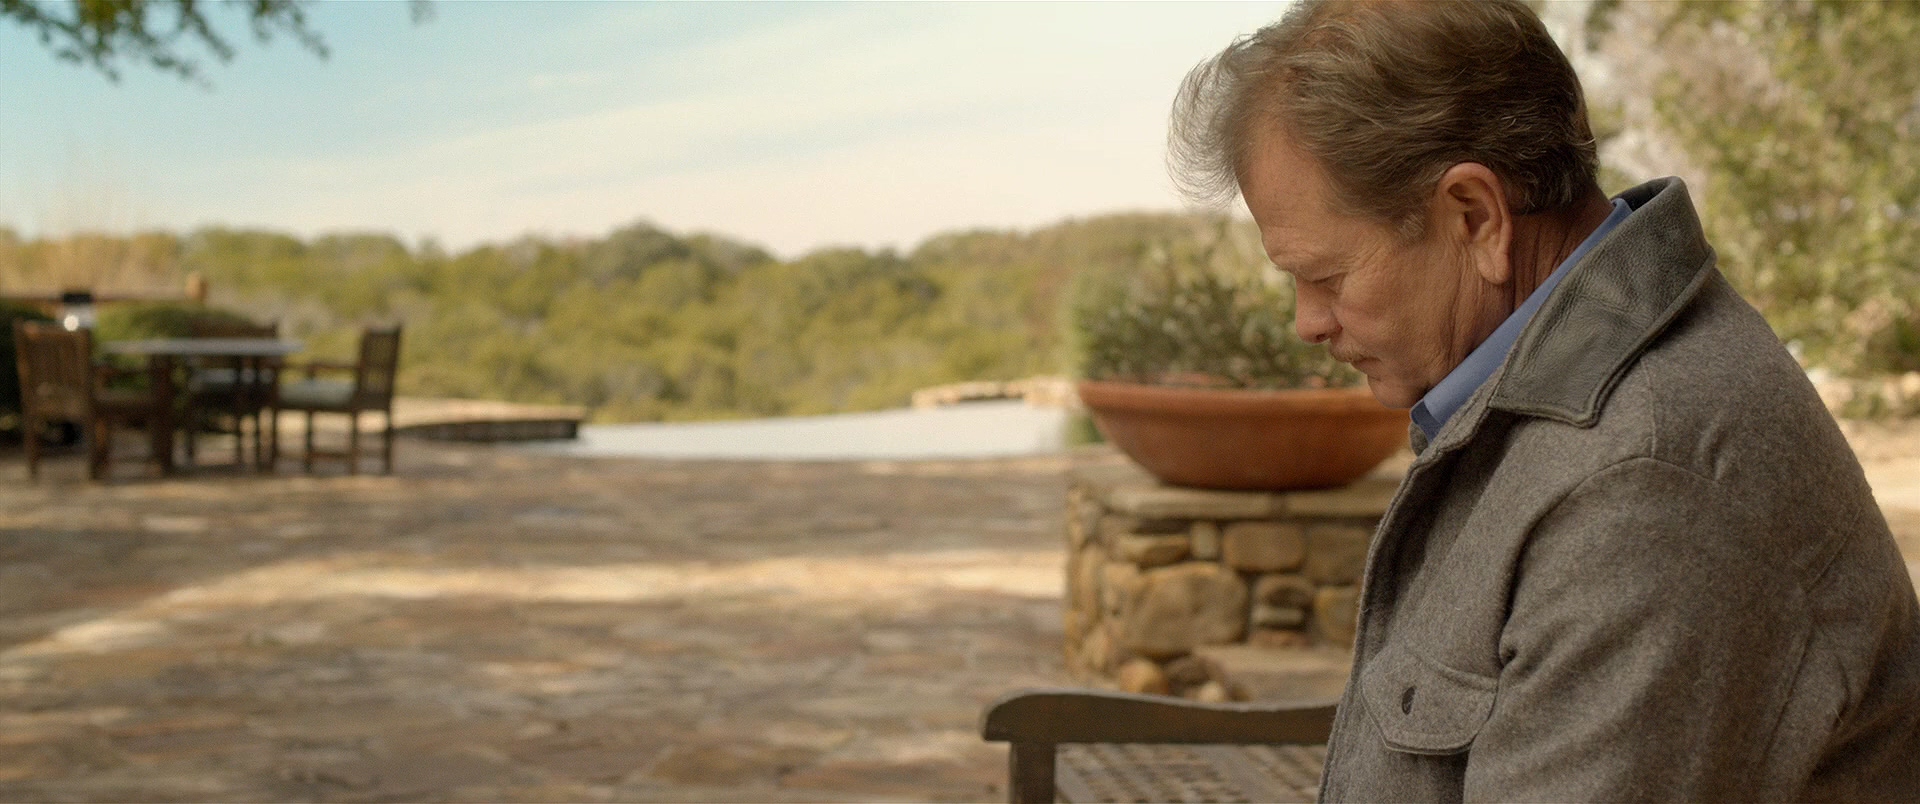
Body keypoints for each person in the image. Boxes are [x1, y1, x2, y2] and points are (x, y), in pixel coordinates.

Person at [1168, 1, 1920, 799]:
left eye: (1325, 277)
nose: (1307, 323)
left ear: (1475, 216)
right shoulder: (1568, 418)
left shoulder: (1641, 482)